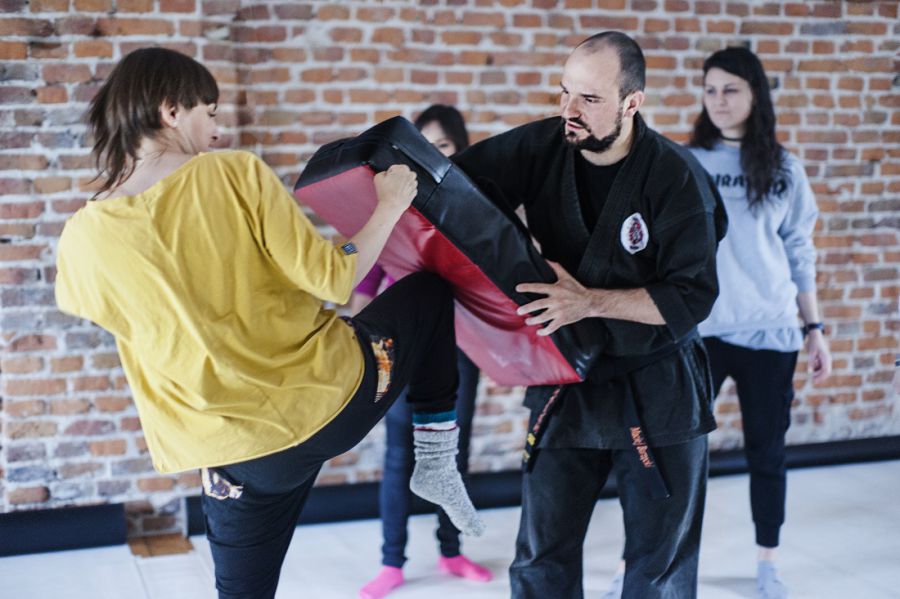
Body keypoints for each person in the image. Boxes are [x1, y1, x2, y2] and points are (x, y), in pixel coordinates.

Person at [54, 47, 483, 599]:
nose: (217, 129)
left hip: (227, 454)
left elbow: (96, 309)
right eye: (209, 113)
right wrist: (389, 204)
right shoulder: (233, 172)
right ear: (170, 111)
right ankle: (438, 461)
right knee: (429, 290)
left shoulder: (83, 235)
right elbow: (334, 277)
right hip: (327, 400)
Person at [453, 31, 726, 599]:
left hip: (658, 384)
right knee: (540, 558)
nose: (569, 110)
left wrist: (590, 300)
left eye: (590, 99)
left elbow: (693, 295)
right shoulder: (544, 145)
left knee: (659, 568)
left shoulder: (676, 177)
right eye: (564, 91)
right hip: (569, 376)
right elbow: (458, 186)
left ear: (632, 103)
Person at [688, 46, 832, 599]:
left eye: (731, 89)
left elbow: (799, 250)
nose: (719, 101)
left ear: (755, 95)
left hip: (771, 332)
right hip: (700, 333)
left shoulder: (784, 168)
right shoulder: (687, 162)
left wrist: (814, 330)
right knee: (676, 455)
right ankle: (648, 559)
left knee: (767, 453)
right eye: (710, 90)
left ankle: (768, 562)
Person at [357, 105, 492, 599]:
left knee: (451, 458)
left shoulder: (475, 212)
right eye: (426, 146)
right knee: (399, 457)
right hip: (403, 349)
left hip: (460, 350)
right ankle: (391, 562)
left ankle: (452, 552)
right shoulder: (396, 208)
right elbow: (365, 281)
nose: (434, 155)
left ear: (460, 150)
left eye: (445, 146)